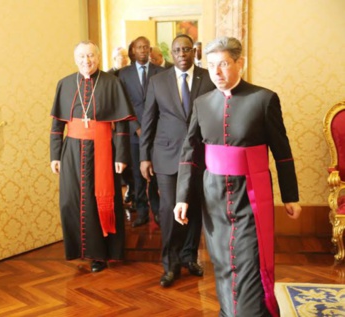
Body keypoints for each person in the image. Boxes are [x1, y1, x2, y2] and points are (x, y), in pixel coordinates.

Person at [173, 36, 301, 316]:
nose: (216, 73)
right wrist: (182, 197)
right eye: (211, 65)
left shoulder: (263, 99)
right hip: (214, 197)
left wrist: (290, 196)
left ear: (239, 63)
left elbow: (282, 151)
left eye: (223, 64)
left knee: (248, 259)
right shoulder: (202, 103)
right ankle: (229, 311)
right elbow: (190, 153)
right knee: (221, 261)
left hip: (251, 194)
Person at [50, 41, 135, 273]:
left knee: (99, 200)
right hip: (72, 151)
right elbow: (57, 125)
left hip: (103, 149)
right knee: (72, 200)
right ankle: (79, 249)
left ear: (98, 57)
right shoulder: (65, 84)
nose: (86, 61)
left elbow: (121, 126)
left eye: (91, 56)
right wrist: (55, 155)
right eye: (82, 56)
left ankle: (102, 254)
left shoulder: (111, 82)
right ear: (75, 58)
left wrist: (122, 156)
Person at [140, 34, 216, 288]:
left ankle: (189, 257)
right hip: (167, 155)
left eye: (186, 49)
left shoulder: (208, 78)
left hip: (200, 155)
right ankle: (170, 264)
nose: (182, 54)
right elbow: (148, 121)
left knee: (194, 208)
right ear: (171, 54)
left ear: (194, 51)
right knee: (169, 208)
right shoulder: (157, 81)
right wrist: (144, 157)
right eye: (177, 50)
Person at [119, 36, 164, 227]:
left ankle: (157, 210)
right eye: (139, 47)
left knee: (154, 173)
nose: (143, 50)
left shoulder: (161, 72)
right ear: (133, 51)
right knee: (137, 175)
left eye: (146, 47)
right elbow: (123, 105)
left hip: (157, 133)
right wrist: (136, 128)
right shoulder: (123, 74)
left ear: (150, 50)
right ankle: (142, 211)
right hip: (134, 132)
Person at [107, 46, 135, 206]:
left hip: (133, 122)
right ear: (114, 59)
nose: (123, 59)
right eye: (119, 56)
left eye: (125, 56)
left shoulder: (132, 73)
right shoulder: (109, 76)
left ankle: (134, 190)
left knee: (132, 161)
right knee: (120, 159)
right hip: (117, 126)